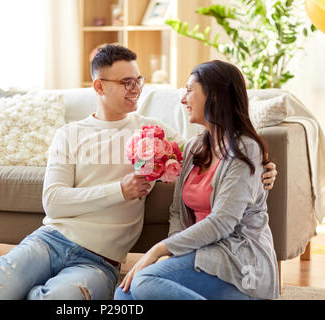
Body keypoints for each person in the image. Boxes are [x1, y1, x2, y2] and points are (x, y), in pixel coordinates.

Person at [0, 45, 277, 300]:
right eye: (126, 83)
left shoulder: (155, 132)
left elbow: (221, 158)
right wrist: (120, 190)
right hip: (49, 241)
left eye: (138, 81)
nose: (135, 89)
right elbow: (54, 203)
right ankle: (10, 278)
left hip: (100, 260)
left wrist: (264, 168)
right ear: (99, 86)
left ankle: (26, 286)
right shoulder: (69, 134)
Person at [114, 60, 280, 300]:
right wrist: (174, 255)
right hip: (201, 252)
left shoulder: (245, 149)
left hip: (237, 259)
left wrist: (158, 251)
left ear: (214, 95)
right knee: (124, 295)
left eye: (190, 90)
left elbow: (222, 222)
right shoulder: (194, 147)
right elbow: (176, 212)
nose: (183, 99)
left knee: (144, 281)